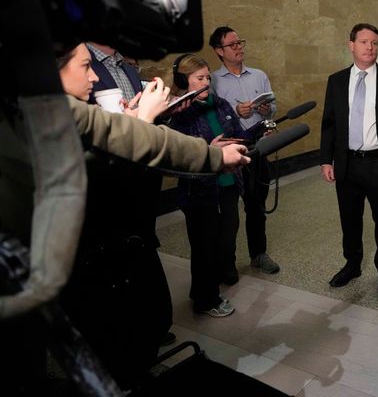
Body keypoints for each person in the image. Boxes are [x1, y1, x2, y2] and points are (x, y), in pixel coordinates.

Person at [55, 42, 251, 387]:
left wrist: (141, 122)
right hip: (75, 248)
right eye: (85, 67)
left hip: (122, 224)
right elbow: (90, 172)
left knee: (143, 313)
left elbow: (147, 141)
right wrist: (141, 121)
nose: (93, 76)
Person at [320, 23, 378, 293]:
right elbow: (329, 124)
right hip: (346, 162)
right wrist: (327, 160)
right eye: (363, 42)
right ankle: (352, 264)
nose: (369, 47)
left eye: (374, 42)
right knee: (349, 219)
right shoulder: (336, 81)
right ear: (351, 45)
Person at [168, 54, 253, 317]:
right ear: (184, 81)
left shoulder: (222, 104)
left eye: (208, 78)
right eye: (199, 79)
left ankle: (219, 277)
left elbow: (239, 135)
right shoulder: (178, 114)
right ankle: (205, 298)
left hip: (229, 184)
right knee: (204, 246)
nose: (206, 83)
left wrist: (260, 130)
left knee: (226, 238)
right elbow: (175, 155)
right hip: (199, 191)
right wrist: (208, 150)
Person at [209, 26, 280, 274]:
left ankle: (258, 254)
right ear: (219, 51)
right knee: (228, 211)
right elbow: (211, 115)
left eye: (240, 42)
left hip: (258, 147)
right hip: (230, 150)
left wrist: (266, 114)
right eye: (232, 44)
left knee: (257, 205)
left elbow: (273, 110)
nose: (239, 47)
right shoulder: (213, 80)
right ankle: (225, 263)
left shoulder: (258, 76)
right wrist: (235, 113)